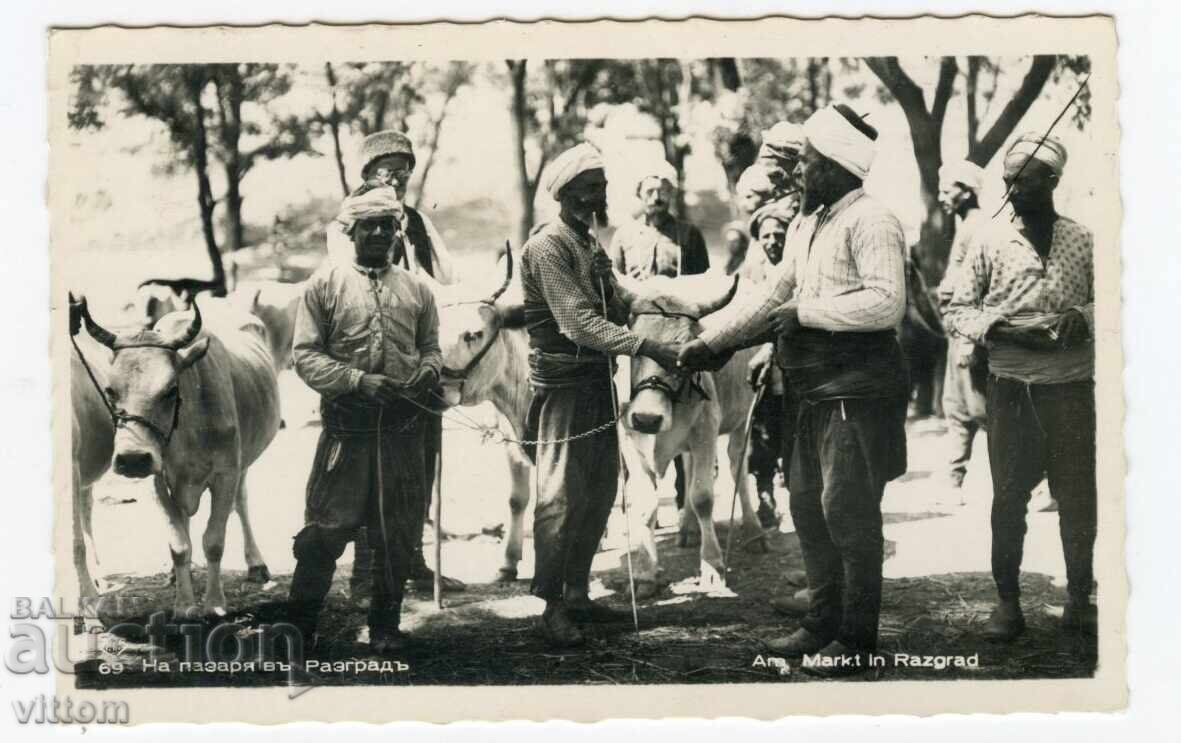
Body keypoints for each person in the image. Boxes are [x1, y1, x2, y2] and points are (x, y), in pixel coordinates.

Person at [679, 104, 909, 676]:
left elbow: (886, 303)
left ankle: (857, 639)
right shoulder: (809, 223)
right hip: (811, 390)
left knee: (846, 509)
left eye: (805, 161)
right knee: (806, 502)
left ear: (833, 165)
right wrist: (712, 343)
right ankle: (822, 622)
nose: (797, 172)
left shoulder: (872, 219)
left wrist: (805, 313)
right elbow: (767, 297)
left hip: (856, 391)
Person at [521, 143, 680, 647]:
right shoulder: (548, 246)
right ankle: (551, 608)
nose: (601, 194)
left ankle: (577, 594)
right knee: (560, 496)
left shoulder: (589, 242)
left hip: (595, 383)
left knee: (598, 491)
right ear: (566, 193)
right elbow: (577, 322)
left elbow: (622, 296)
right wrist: (645, 343)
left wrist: (669, 307)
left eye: (604, 186)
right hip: (562, 388)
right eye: (592, 187)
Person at [945, 132, 1096, 641]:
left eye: (1024, 179)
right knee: (1008, 500)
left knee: (1078, 499)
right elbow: (958, 311)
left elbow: (1119, 300)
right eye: (1007, 179)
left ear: (1052, 181)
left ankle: (1079, 600)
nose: (1011, 188)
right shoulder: (988, 239)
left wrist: (1081, 316)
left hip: (1073, 391)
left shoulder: (1083, 239)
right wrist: (1007, 329)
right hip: (1011, 392)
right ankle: (1007, 605)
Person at [287, 185, 442, 654]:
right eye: (367, 226)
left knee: (396, 532)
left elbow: (433, 347)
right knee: (326, 531)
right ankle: (299, 629)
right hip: (347, 431)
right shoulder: (324, 286)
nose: (378, 233)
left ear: (398, 233)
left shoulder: (417, 289)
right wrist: (357, 380)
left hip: (402, 429)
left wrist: (426, 372)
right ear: (349, 231)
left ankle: (385, 627)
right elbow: (304, 356)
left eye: (386, 226)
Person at [333, 131, 465, 596]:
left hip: (417, 357)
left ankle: (412, 558)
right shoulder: (349, 220)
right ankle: (367, 570)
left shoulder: (416, 223)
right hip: (368, 362)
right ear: (367, 173)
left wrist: (415, 239)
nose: (396, 176)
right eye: (385, 168)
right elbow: (347, 284)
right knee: (367, 469)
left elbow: (446, 276)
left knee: (419, 463)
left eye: (403, 167)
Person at [607, 161, 711, 530]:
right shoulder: (623, 236)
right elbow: (616, 288)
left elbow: (702, 284)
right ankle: (635, 506)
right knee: (624, 409)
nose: (657, 197)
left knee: (687, 408)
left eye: (664, 190)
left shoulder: (688, 234)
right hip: (640, 330)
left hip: (676, 330)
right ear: (639, 194)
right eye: (650, 190)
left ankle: (687, 507)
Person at [936, 159, 990, 499]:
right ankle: (953, 481)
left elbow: (982, 282)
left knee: (983, 410)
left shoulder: (978, 226)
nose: (942, 196)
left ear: (967, 192)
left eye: (947, 190)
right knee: (955, 407)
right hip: (955, 331)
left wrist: (970, 338)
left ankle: (1039, 483)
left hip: (971, 333)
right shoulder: (963, 225)